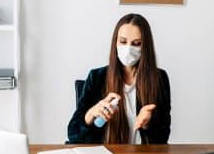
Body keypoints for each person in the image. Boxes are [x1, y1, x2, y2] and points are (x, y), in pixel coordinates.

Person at [68, 13, 171, 144]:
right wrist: (91, 114)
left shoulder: (159, 79)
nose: (128, 49)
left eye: (136, 43)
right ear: (115, 43)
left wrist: (146, 125)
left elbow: (162, 139)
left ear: (145, 47)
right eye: (123, 42)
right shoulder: (97, 77)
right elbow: (73, 136)